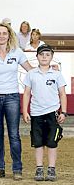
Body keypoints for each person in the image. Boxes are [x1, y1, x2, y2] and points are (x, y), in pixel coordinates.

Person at [0, 22, 33, 181]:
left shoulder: (17, 53)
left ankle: (17, 169)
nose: (1, 36)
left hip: (12, 98)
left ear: (9, 35)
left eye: (4, 33)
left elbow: (30, 70)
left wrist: (48, 70)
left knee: (14, 135)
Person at [22, 44, 67, 181]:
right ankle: (39, 168)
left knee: (52, 142)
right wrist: (25, 111)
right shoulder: (31, 74)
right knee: (38, 143)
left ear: (52, 57)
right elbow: (27, 94)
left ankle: (51, 169)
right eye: (41, 54)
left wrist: (63, 112)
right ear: (37, 57)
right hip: (36, 114)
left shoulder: (57, 74)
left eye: (47, 55)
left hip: (53, 113)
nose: (44, 57)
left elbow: (62, 94)